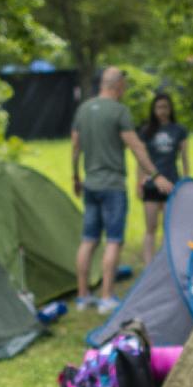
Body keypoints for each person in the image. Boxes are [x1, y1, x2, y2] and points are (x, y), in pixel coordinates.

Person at [72, 67, 169, 311]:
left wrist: (76, 176)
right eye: (124, 85)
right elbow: (136, 146)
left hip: (90, 184)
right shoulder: (119, 111)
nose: (125, 90)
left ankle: (83, 297)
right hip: (113, 186)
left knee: (88, 240)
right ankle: (106, 297)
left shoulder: (83, 109)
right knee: (114, 240)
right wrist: (155, 175)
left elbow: (75, 147)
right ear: (117, 86)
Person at [136, 91, 190, 268]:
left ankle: (168, 263)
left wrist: (187, 181)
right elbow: (141, 160)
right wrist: (138, 183)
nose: (162, 110)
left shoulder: (179, 131)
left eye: (165, 107)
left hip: (172, 183)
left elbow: (184, 158)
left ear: (170, 108)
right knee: (151, 228)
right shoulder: (146, 131)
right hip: (151, 186)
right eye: (159, 107)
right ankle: (149, 265)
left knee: (170, 228)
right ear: (153, 109)